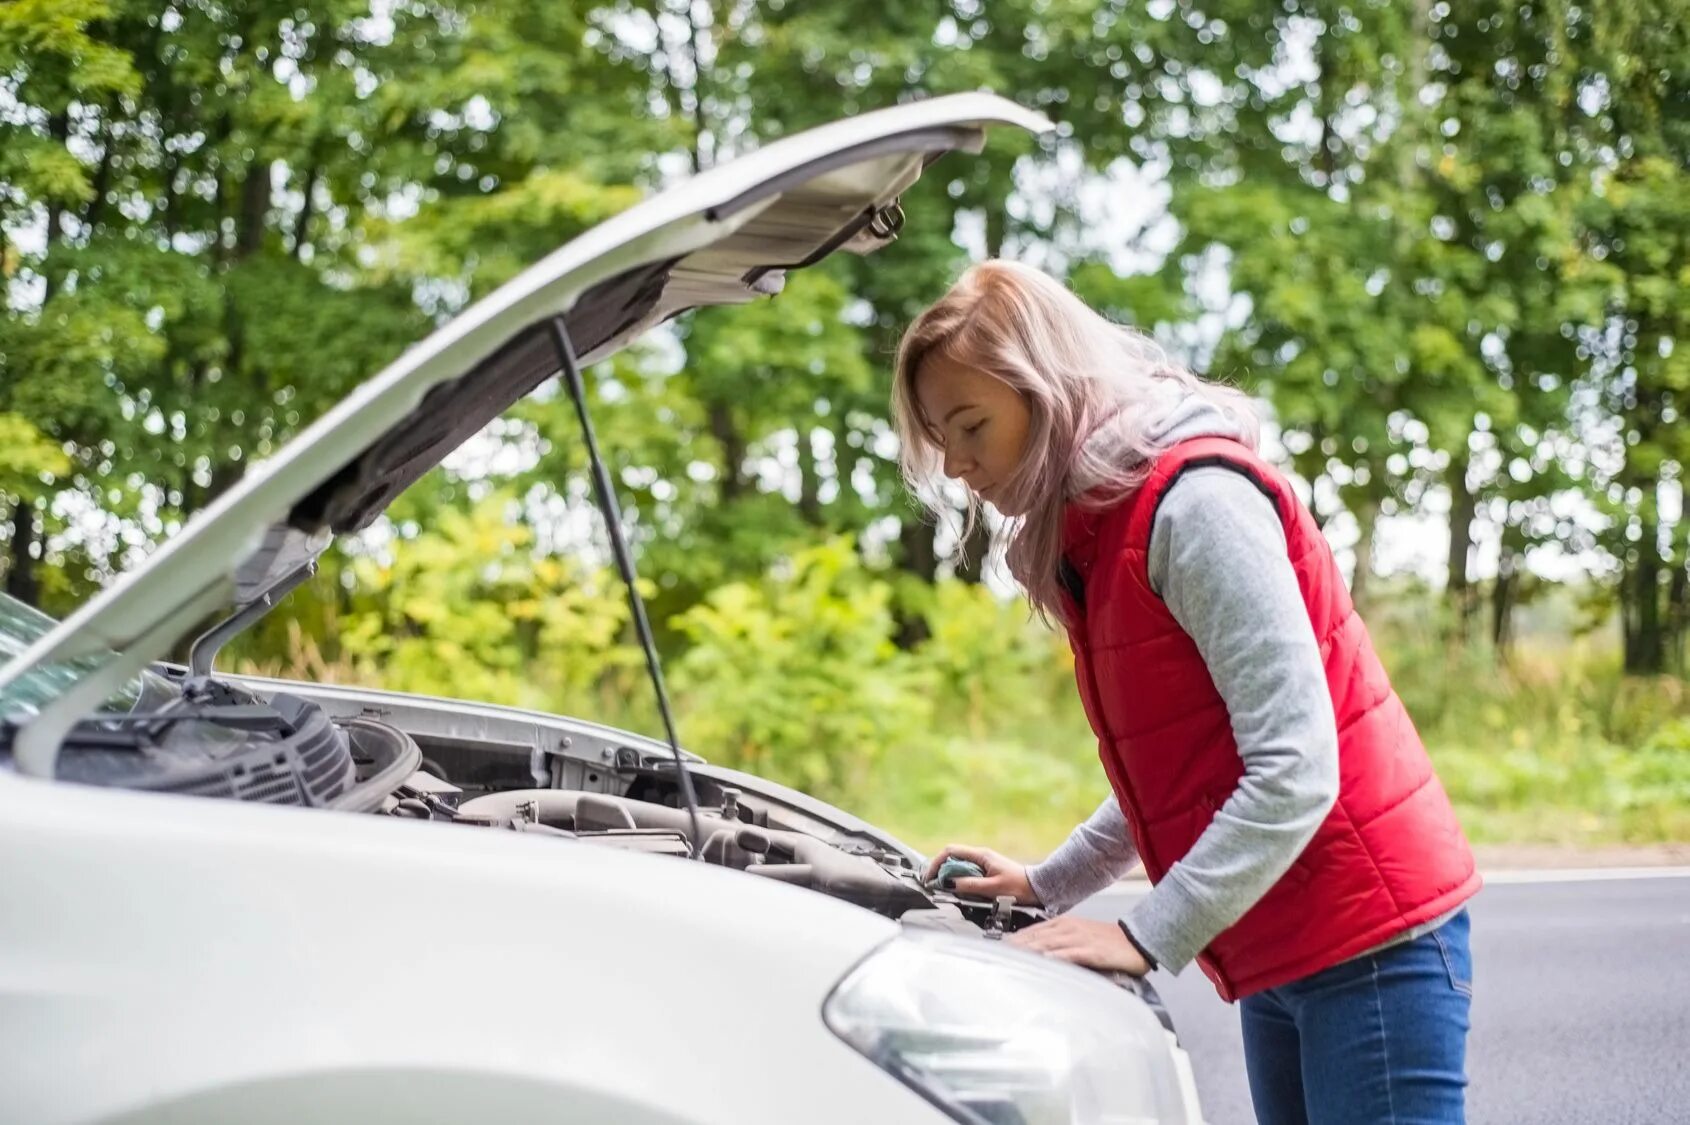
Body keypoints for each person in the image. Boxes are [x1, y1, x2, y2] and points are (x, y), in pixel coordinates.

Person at [892, 260, 1481, 1125]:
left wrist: (1139, 936)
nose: (956, 464)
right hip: (1284, 935)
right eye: (941, 437)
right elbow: (1181, 767)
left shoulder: (1193, 506)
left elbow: (1295, 766)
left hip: (1371, 937)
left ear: (1045, 391)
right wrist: (1049, 883)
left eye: (971, 424)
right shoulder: (1101, 531)